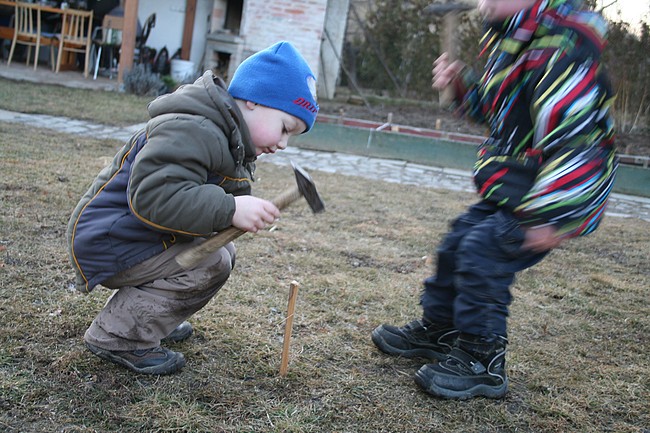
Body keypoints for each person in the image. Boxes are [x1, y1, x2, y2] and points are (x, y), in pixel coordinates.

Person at [371, 0, 618, 399]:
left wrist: (552, 211)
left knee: (483, 252)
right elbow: (500, 112)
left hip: (549, 195)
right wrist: (462, 86)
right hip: (515, 186)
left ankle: (482, 359)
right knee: (458, 241)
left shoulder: (562, 49)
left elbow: (577, 137)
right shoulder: (512, 45)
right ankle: (441, 330)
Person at [67, 41, 319, 375]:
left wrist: (242, 211)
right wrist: (230, 208)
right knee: (211, 262)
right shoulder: (192, 128)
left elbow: (204, 202)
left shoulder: (228, 140)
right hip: (111, 240)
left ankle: (150, 318)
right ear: (254, 100)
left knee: (222, 252)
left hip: (139, 237)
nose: (284, 143)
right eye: (285, 128)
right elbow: (153, 197)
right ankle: (118, 335)